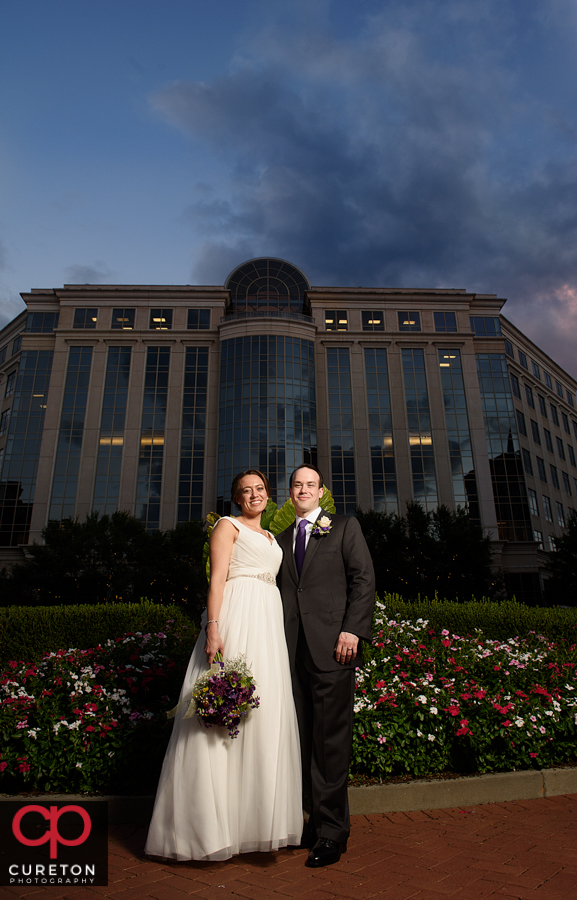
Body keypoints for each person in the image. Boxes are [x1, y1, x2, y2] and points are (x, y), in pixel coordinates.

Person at [145, 470, 302, 861]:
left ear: (269, 495)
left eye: (260, 489)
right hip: (237, 615)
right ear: (236, 499)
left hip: (267, 622)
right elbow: (216, 581)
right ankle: (205, 830)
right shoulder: (226, 527)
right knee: (220, 715)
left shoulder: (271, 536)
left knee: (262, 717)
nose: (254, 495)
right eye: (246, 491)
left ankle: (251, 824)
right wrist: (213, 628)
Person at [277, 464, 375, 868]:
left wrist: (353, 630)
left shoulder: (344, 527)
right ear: (290, 492)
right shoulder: (278, 540)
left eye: (310, 484)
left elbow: (363, 579)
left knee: (330, 743)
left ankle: (333, 832)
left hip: (334, 650)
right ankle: (312, 824)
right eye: (297, 484)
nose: (303, 489)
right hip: (289, 653)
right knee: (299, 742)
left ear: (321, 492)